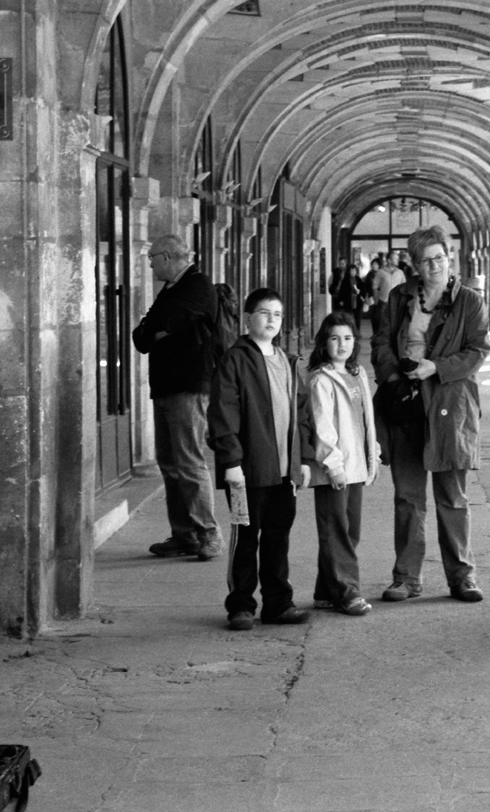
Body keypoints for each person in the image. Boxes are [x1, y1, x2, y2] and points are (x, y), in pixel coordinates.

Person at [372, 225, 489, 602]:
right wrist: (393, 377)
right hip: (405, 404)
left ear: (449, 257)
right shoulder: (398, 297)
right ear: (415, 265)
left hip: (450, 405)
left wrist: (434, 368)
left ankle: (462, 576)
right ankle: (406, 578)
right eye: (426, 260)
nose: (435, 265)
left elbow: (477, 351)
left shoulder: (469, 301)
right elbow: (381, 342)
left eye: (440, 257)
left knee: (452, 496)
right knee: (408, 497)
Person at [207, 287, 312, 631]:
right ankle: (240, 605)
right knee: (246, 537)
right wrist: (231, 461)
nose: (271, 320)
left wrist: (303, 460)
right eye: (264, 313)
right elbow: (224, 412)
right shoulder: (235, 359)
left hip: (284, 470)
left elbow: (301, 413)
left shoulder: (286, 360)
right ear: (248, 318)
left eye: (277, 315)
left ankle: (278, 603)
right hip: (248, 470)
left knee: (278, 538)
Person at [131, 234, 223, 561]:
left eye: (152, 257)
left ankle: (208, 533)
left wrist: (159, 329)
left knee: (189, 460)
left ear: (168, 257)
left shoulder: (197, 285)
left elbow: (162, 322)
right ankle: (183, 534)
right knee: (169, 463)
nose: (150, 262)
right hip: (165, 385)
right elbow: (142, 336)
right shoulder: (171, 290)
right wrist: (157, 331)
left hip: (188, 385)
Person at [306, 312, 379, 616]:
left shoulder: (357, 374)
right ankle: (348, 592)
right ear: (324, 342)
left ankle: (325, 591)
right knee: (336, 531)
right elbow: (323, 427)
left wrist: (371, 453)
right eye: (334, 338)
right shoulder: (321, 379)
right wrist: (333, 465)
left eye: (348, 338)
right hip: (335, 467)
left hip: (357, 466)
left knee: (350, 531)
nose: (342, 344)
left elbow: (365, 420)